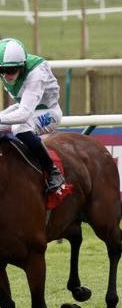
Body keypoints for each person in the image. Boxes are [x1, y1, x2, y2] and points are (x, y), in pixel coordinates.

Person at [0, 37, 65, 193]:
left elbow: (24, 114)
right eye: (2, 70)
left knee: (19, 128)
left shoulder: (36, 73)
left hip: (49, 112)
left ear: (22, 66)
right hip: (26, 107)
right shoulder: (6, 69)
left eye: (12, 70)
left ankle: (53, 171)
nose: (7, 75)